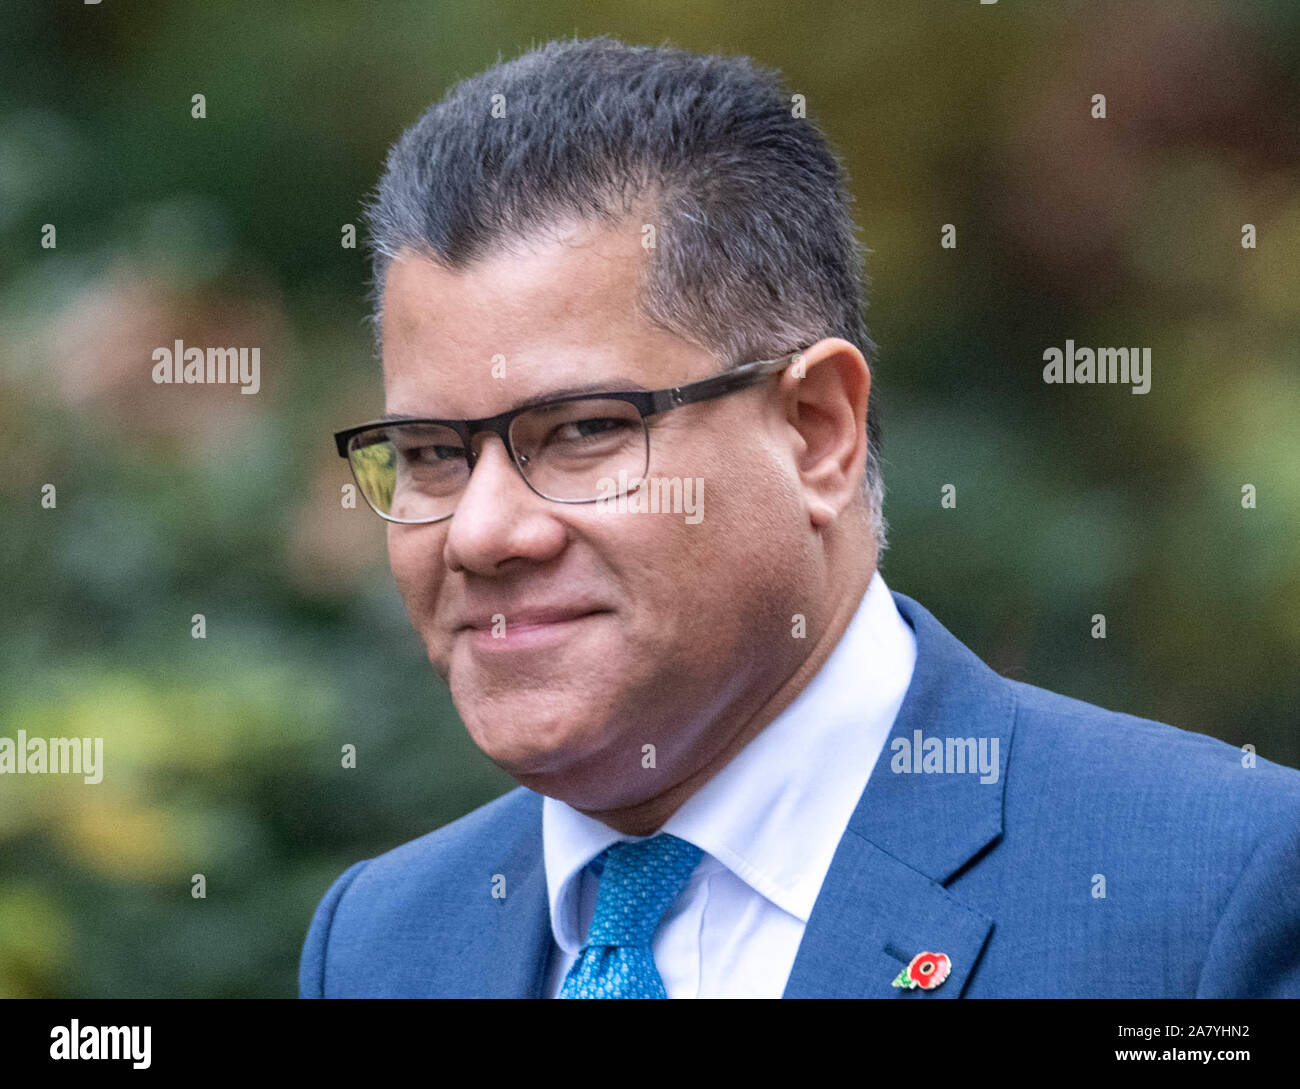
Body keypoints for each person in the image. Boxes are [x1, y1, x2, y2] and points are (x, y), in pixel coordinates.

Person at [300, 36, 1300, 998]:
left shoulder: (1210, 894)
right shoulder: (382, 943)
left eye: (579, 432)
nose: (481, 533)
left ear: (817, 432)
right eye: (432, 452)